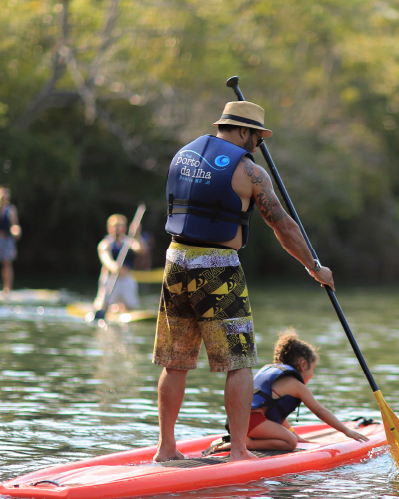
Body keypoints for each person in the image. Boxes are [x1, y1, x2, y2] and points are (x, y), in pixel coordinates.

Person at [152, 101, 335, 463]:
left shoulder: (182, 156)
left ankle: (166, 448)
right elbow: (282, 225)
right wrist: (314, 266)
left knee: (175, 363)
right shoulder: (250, 172)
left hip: (175, 262)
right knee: (239, 363)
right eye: (255, 136)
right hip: (218, 268)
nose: (257, 144)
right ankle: (238, 452)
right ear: (242, 131)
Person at [202, 330, 369, 455]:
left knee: (293, 437)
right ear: (303, 365)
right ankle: (247, 443)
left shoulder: (273, 372)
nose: (312, 374)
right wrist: (346, 430)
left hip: (237, 421)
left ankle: (239, 439)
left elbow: (277, 417)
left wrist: (300, 436)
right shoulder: (297, 385)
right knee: (290, 442)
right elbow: (320, 410)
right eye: (313, 369)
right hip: (250, 422)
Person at [94, 214, 147, 312]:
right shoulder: (105, 244)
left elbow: (142, 251)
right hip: (111, 278)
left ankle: (122, 309)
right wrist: (114, 267)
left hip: (126, 278)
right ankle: (106, 308)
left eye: (120, 225)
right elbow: (107, 260)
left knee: (132, 305)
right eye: (115, 225)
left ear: (124, 228)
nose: (117, 228)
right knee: (102, 306)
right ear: (109, 228)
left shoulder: (129, 242)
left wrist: (138, 234)